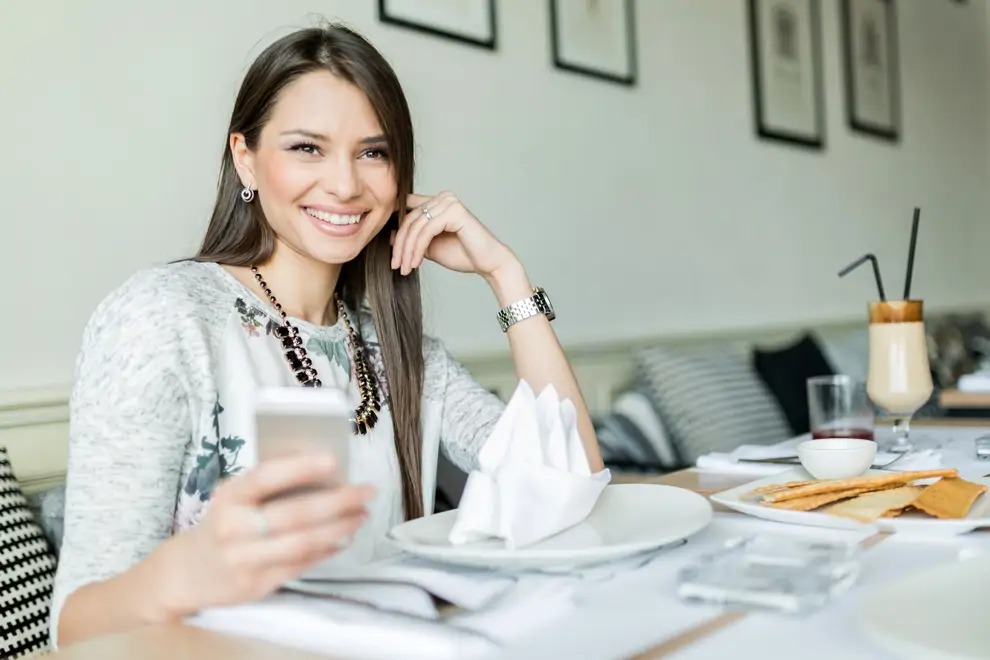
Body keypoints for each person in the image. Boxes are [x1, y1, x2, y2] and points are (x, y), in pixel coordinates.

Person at [50, 22, 603, 649]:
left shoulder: (402, 352)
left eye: (374, 152)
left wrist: (507, 277)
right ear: (244, 158)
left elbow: (572, 483)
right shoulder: (163, 318)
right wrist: (189, 571)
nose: (344, 184)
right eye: (307, 148)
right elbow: (76, 625)